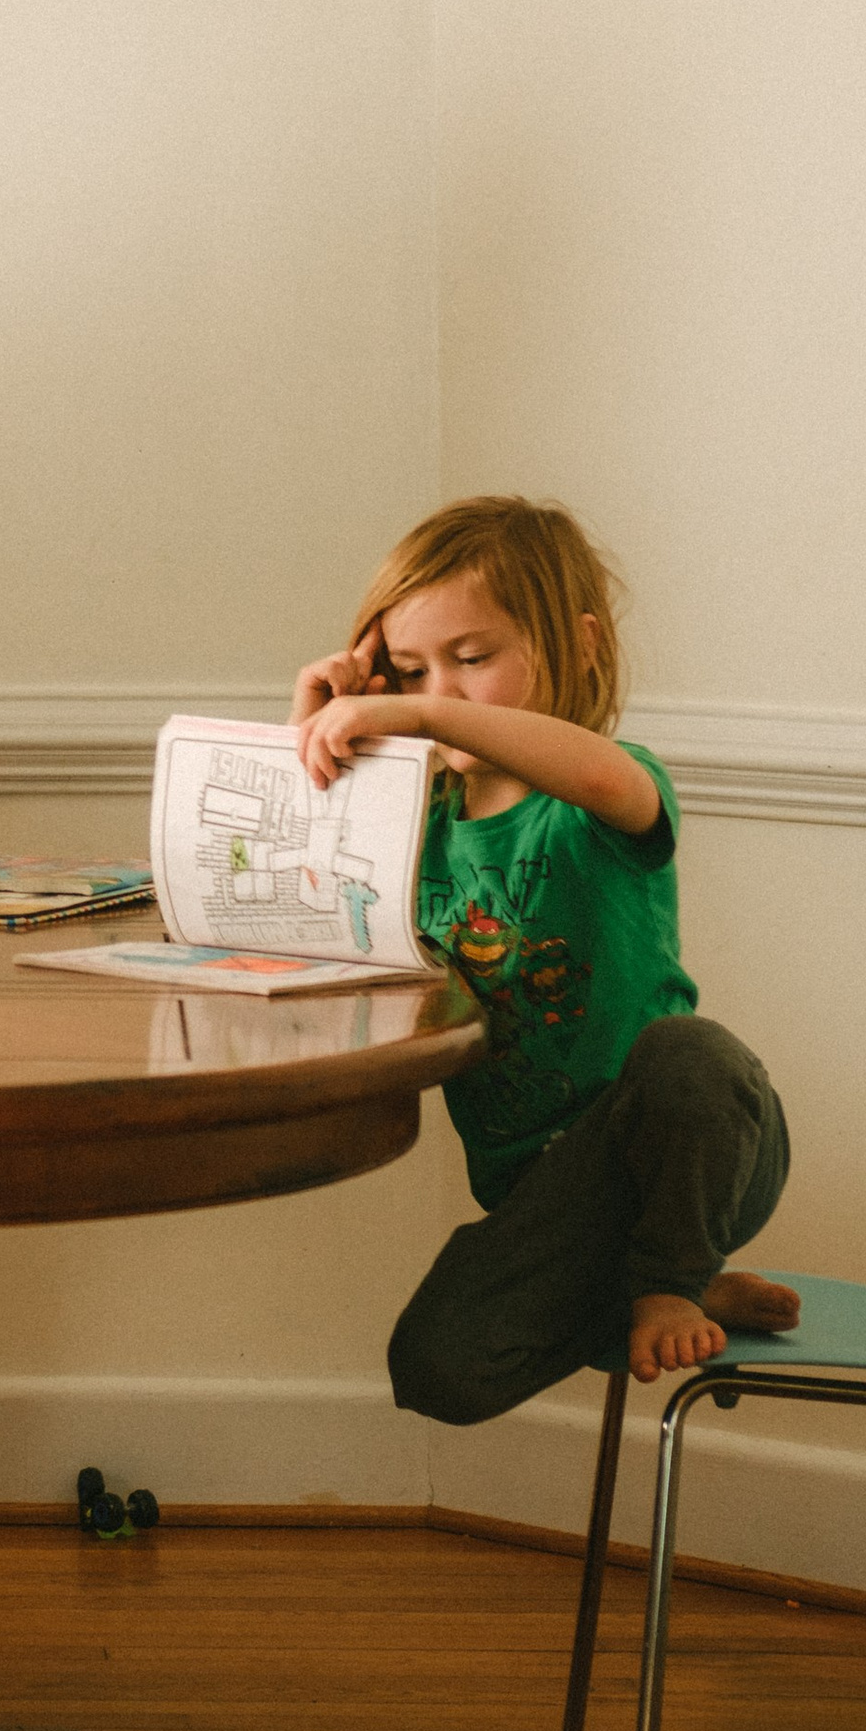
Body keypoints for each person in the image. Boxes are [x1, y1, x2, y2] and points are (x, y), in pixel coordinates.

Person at [290, 494, 797, 1426]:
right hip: (552, 1200)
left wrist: (420, 708)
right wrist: (321, 727)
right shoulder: (417, 829)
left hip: (693, 1152)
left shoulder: (598, 795)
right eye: (410, 669)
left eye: (472, 659)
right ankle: (652, 1279)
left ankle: (670, 1280)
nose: (438, 694)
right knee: (435, 1368)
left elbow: (596, 771)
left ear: (580, 645)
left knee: (692, 1053)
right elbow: (310, 901)